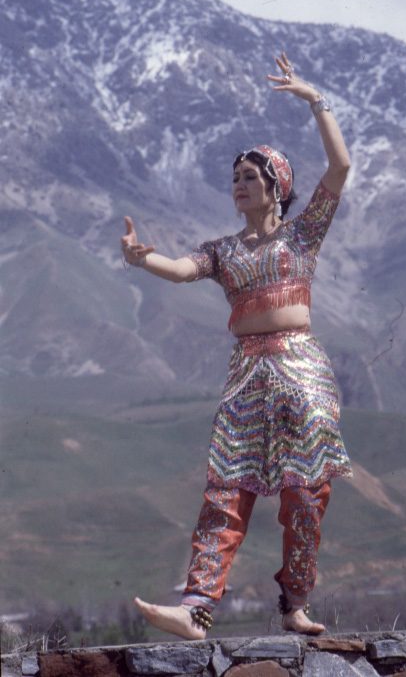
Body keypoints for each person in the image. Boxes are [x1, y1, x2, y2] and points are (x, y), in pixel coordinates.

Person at [121, 53, 353, 639]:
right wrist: (143, 259)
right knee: (225, 490)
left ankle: (295, 603)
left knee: (306, 492)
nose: (240, 185)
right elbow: (181, 270)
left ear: (277, 187)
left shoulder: (303, 235)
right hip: (247, 377)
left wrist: (315, 100)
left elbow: (341, 165)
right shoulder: (221, 251)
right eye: (235, 179)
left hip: (301, 369)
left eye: (250, 176)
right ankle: (196, 608)